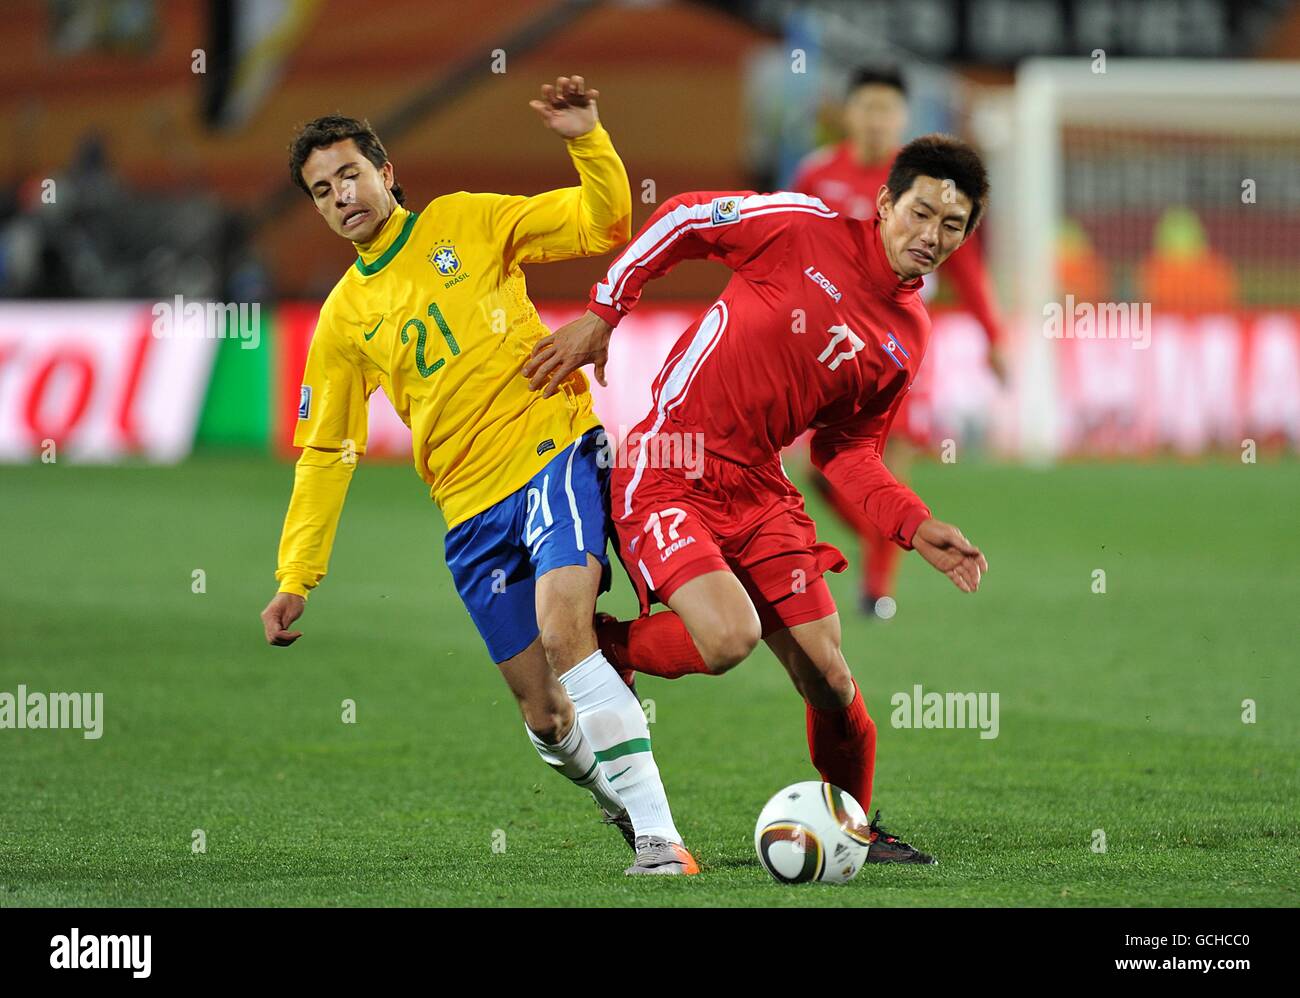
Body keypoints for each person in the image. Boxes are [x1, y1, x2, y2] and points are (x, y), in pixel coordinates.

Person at [259, 77, 697, 876]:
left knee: (567, 630)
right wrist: (298, 575)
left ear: (387, 172)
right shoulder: (342, 320)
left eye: (350, 173)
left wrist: (585, 140)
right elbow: (326, 452)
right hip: (468, 513)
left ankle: (663, 841)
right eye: (321, 190)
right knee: (544, 714)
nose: (340, 196)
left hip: (550, 451)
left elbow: (602, 221)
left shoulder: (467, 219)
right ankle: (626, 806)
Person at [525, 135, 993, 864]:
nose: (931, 236)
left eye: (952, 225)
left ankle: (854, 829)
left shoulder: (908, 335)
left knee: (831, 679)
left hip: (760, 489)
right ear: (884, 205)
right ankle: (602, 647)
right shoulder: (802, 224)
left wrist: (913, 522)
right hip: (669, 465)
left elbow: (847, 452)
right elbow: (683, 219)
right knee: (728, 638)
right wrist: (605, 311)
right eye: (920, 213)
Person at [790, 66, 1006, 616]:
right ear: (849, 112)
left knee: (892, 458)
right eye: (868, 107)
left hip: (896, 339)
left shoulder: (927, 182)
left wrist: (994, 334)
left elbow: (967, 265)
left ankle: (878, 589)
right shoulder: (818, 174)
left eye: (888, 109)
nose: (878, 119)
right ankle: (878, 537)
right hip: (829, 341)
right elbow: (788, 241)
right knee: (820, 467)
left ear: (903, 118)